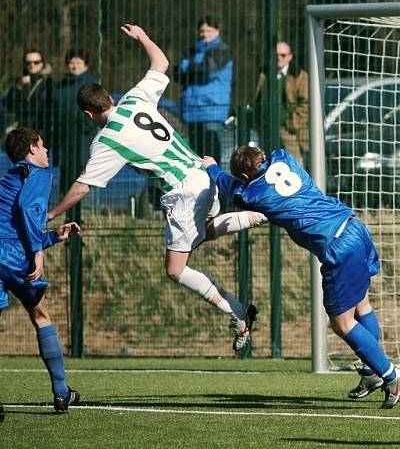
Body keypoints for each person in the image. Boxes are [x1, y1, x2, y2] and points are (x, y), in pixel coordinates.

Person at [48, 24, 265, 352]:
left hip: (182, 191)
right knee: (203, 231)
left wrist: (52, 212)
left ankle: (238, 312)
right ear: (110, 96)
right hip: (202, 174)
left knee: (175, 270)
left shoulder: (107, 140)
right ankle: (256, 214)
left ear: (89, 113)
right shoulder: (135, 98)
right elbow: (161, 63)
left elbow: (81, 188)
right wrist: (144, 38)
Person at [203, 146, 400, 409]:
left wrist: (211, 166)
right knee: (362, 305)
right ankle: (372, 374)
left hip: (336, 247)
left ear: (244, 176)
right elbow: (255, 171)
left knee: (342, 324)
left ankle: (392, 375)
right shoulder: (283, 157)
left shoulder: (251, 193)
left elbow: (228, 185)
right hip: (354, 227)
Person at [0, 127, 81, 412]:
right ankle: (61, 391)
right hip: (15, 257)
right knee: (40, 315)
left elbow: (13, 224)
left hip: (5, 250)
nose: (47, 151)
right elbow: (26, 209)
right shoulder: (38, 174)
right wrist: (38, 252)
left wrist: (53, 237)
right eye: (43, 145)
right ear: (32, 148)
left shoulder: (9, 178)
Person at [174, 17, 233, 161]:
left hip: (211, 110)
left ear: (217, 31)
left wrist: (188, 68)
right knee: (195, 158)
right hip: (192, 110)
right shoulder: (192, 51)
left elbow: (206, 71)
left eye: (209, 30)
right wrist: (192, 69)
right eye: (202, 30)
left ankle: (214, 184)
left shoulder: (221, 50)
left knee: (211, 156)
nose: (205, 34)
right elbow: (177, 74)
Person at [51, 52, 99, 195]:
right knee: (66, 175)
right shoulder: (61, 85)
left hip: (83, 136)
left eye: (79, 62)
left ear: (86, 65)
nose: (74, 66)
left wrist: (87, 126)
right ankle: (69, 214)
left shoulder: (91, 84)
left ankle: (75, 214)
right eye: (72, 62)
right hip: (65, 137)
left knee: (81, 176)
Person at [256, 42, 309, 165]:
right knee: (269, 165)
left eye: (283, 55)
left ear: (290, 56)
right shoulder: (264, 74)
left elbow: (306, 104)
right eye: (276, 55)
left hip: (289, 130)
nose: (279, 58)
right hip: (266, 129)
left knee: (293, 165)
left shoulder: (299, 76)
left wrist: (294, 122)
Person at [5, 50, 54, 139]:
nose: (32, 65)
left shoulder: (48, 83)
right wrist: (18, 87)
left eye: (36, 62)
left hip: (40, 129)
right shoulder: (19, 81)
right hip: (21, 129)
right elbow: (9, 104)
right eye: (28, 62)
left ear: (42, 63)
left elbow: (42, 106)